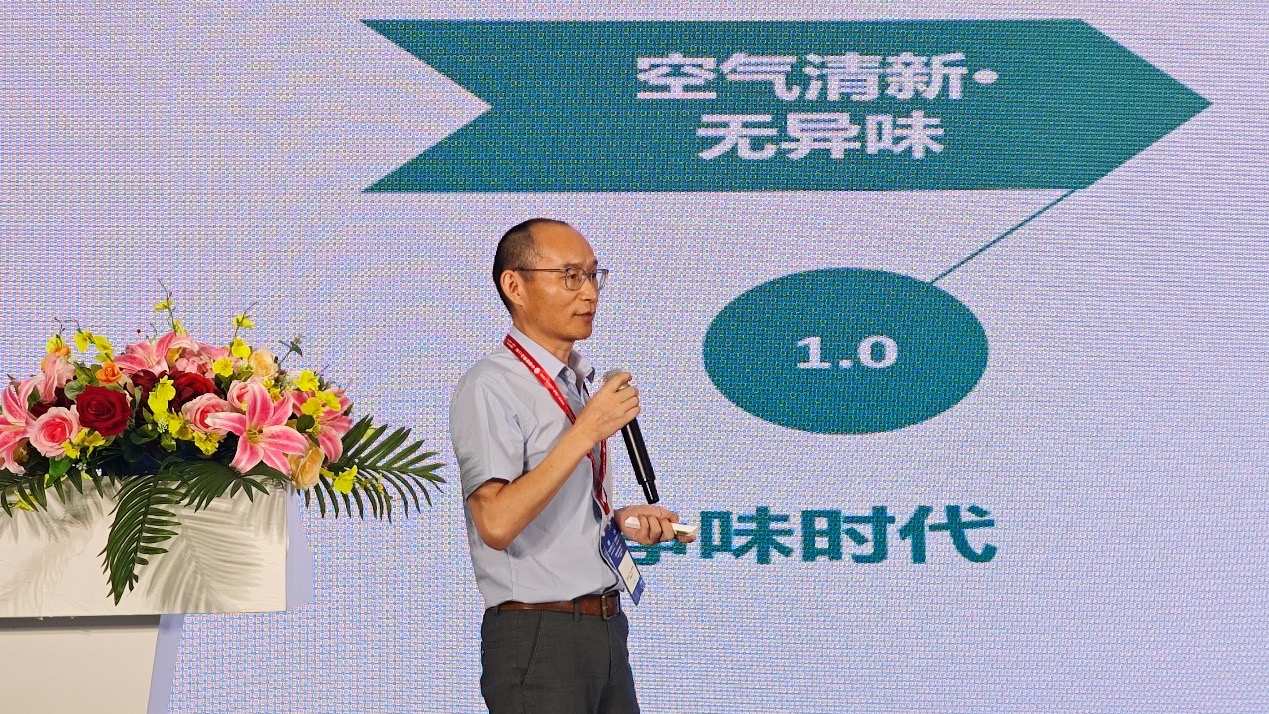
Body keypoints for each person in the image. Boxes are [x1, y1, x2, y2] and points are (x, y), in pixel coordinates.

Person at [450, 218, 695, 713]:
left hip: (605, 629)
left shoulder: (576, 384)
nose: (589, 292)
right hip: (539, 637)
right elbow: (495, 521)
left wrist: (618, 522)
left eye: (592, 275)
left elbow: (550, 500)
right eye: (569, 276)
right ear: (515, 285)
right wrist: (586, 431)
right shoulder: (490, 385)